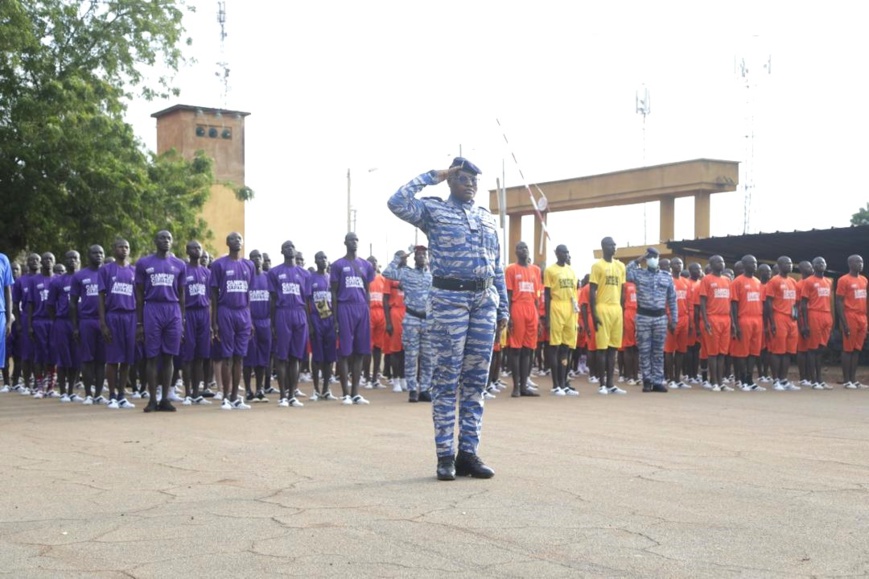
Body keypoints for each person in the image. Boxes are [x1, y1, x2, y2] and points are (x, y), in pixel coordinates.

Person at [388, 157, 507, 481]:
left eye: (473, 180)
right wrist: (433, 176)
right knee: (446, 380)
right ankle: (445, 456)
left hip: (484, 302)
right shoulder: (434, 211)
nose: (470, 184)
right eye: (463, 179)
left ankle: (468, 453)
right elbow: (396, 202)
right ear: (451, 181)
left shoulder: (486, 218)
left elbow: (496, 266)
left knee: (475, 382)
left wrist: (503, 308)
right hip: (448, 302)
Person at [136, 230, 187, 412]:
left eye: (168, 238)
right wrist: (139, 323)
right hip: (152, 308)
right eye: (161, 238)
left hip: (172, 309)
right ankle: (152, 399)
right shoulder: (144, 263)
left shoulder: (179, 264)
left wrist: (182, 320)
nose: (165, 240)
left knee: (169, 356)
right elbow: (139, 295)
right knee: (152, 356)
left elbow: (182, 295)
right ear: (155, 241)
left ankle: (165, 398)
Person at [384, 245, 434, 402]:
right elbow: (387, 272)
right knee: (411, 356)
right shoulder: (407, 273)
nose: (421, 256)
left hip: (427, 320)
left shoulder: (433, 276)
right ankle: (412, 389)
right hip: (411, 318)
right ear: (414, 257)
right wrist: (401, 256)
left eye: (424, 254)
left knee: (428, 357)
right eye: (418, 254)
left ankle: (425, 388)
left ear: (428, 257)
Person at [209, 232, 254, 410]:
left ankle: (236, 396)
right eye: (233, 238)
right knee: (227, 356)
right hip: (225, 311)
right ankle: (225, 397)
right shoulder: (219, 264)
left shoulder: (248, 265)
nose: (237, 241)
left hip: (243, 313)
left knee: (239, 357)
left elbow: (248, 293)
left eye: (240, 239)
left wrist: (249, 319)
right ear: (227, 242)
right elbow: (213, 294)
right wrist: (214, 322)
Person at [330, 232, 374, 405]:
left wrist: (368, 311)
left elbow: (367, 290)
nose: (354, 242)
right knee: (345, 352)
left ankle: (356, 392)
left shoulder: (366, 265)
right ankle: (345, 393)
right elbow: (333, 292)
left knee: (360, 352)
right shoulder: (337, 265)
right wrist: (335, 318)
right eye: (350, 240)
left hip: (362, 308)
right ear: (345, 242)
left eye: (356, 240)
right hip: (344, 307)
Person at [626, 248, 677, 392]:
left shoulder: (667, 277)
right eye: (650, 257)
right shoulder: (638, 274)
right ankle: (647, 380)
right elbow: (625, 273)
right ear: (647, 259)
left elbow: (672, 300)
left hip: (660, 318)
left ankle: (657, 381)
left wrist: (674, 319)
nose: (653, 259)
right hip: (643, 317)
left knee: (658, 351)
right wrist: (638, 259)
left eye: (655, 256)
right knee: (644, 350)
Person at [96, 239, 137, 408]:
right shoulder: (106, 270)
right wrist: (103, 323)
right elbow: (101, 298)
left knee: (127, 359)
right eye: (120, 246)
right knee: (113, 359)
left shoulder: (134, 271)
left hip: (130, 316)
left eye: (127, 247)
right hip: (113, 316)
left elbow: (139, 296)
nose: (124, 249)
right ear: (114, 249)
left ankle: (121, 394)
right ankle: (112, 395)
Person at [268, 240, 309, 408]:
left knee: (296, 356)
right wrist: (272, 322)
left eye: (292, 246)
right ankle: (283, 395)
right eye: (286, 247)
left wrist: (308, 321)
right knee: (282, 356)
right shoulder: (275, 272)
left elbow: (307, 300)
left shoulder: (304, 274)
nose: (290, 249)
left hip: (299, 313)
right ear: (281, 251)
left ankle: (293, 394)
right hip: (282, 312)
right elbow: (272, 299)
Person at [589, 237, 627, 395]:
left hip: (616, 310)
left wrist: (622, 310)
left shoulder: (620, 266)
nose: (614, 247)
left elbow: (623, 290)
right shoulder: (597, 266)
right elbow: (592, 291)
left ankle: (611, 383)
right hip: (603, 308)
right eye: (611, 245)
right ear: (604, 247)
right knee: (602, 349)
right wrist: (594, 313)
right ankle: (602, 384)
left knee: (613, 349)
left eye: (615, 245)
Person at [504, 241, 541, 398]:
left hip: (531, 309)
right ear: (515, 252)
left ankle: (525, 385)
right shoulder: (511, 270)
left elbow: (537, 296)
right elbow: (508, 295)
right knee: (516, 349)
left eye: (525, 247)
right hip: (517, 308)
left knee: (528, 349)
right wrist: (509, 315)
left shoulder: (536, 270)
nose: (523, 250)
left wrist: (538, 317)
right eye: (519, 248)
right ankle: (516, 387)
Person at [543, 245, 579, 396]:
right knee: (555, 347)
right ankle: (555, 384)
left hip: (569, 310)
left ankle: (564, 382)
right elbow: (546, 295)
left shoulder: (571, 271)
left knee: (566, 347)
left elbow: (574, 294)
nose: (566, 254)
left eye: (567, 252)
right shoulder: (550, 270)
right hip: (556, 307)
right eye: (563, 252)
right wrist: (547, 317)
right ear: (557, 254)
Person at [180, 240, 212, 405]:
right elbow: (180, 295)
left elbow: (211, 299)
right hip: (189, 313)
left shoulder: (207, 273)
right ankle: (186, 393)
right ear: (187, 250)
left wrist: (212, 323)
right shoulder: (183, 270)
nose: (197, 250)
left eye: (199, 247)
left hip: (204, 314)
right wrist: (182, 318)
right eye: (193, 247)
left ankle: (196, 392)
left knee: (201, 356)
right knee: (188, 356)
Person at [47, 251, 80, 402]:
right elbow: (50, 305)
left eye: (75, 258)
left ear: (79, 261)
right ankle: (63, 392)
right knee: (62, 358)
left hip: (80, 322)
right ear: (64, 261)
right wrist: (57, 320)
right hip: (62, 322)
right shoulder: (58, 281)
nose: (72, 260)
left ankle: (72, 390)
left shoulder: (83, 278)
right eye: (69, 258)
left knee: (75, 357)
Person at [729, 254, 765, 392]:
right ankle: (742, 379)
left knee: (754, 352)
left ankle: (750, 379)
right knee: (742, 352)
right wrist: (735, 324)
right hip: (744, 319)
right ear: (744, 265)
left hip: (757, 319)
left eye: (756, 262)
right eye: (751, 263)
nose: (754, 265)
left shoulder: (757, 282)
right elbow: (733, 304)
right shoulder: (737, 282)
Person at [306, 251, 338, 401]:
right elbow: (307, 302)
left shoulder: (332, 278)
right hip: (316, 319)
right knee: (317, 357)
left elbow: (336, 300)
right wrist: (310, 324)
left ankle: (326, 389)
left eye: (325, 257)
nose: (323, 260)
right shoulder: (310, 278)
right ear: (315, 260)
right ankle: (316, 389)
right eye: (320, 258)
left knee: (329, 357)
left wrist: (336, 321)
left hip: (330, 320)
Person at [765, 256, 799, 391]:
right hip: (779, 317)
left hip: (792, 320)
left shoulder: (793, 281)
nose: (789, 265)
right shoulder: (774, 281)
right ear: (779, 265)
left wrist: (796, 316)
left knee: (788, 351)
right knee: (777, 351)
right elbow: (768, 302)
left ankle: (784, 379)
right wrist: (772, 322)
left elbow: (795, 302)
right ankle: (775, 380)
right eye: (786, 263)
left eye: (791, 263)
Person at [699, 255, 732, 392]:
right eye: (719, 261)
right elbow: (702, 302)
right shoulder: (706, 280)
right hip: (712, 318)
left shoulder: (727, 280)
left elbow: (729, 302)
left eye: (723, 261)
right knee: (713, 353)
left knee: (722, 353)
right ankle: (714, 382)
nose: (722, 263)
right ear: (711, 264)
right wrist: (705, 321)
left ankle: (721, 381)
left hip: (726, 319)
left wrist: (733, 322)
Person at [800, 257, 834, 390]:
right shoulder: (808, 281)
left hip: (826, 315)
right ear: (813, 266)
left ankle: (820, 379)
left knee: (821, 349)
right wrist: (806, 324)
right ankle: (813, 379)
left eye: (823, 263)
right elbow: (803, 304)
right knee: (812, 349)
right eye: (818, 263)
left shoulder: (828, 281)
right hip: (814, 314)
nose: (821, 265)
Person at [26, 252, 56, 397]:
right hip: (39, 321)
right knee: (39, 354)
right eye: (45, 259)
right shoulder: (34, 280)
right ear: (41, 262)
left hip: (54, 322)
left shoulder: (58, 280)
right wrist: (30, 324)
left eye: (51, 259)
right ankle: (39, 387)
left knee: (52, 354)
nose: (48, 261)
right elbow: (30, 304)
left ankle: (50, 387)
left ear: (55, 261)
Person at [244, 249, 272, 402]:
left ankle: (260, 389)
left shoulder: (269, 278)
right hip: (250, 321)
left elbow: (273, 300)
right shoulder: (247, 277)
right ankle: (248, 389)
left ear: (262, 259)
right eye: (253, 257)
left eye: (258, 256)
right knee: (248, 357)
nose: (256, 259)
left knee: (263, 357)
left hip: (265, 321)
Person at [836, 255, 867, 389]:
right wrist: (844, 322)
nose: (860, 264)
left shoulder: (864, 280)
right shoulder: (844, 280)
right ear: (850, 264)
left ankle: (854, 379)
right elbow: (838, 301)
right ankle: (847, 379)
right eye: (857, 262)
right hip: (850, 315)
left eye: (861, 261)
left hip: (862, 317)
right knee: (848, 349)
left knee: (856, 349)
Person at [664, 257, 692, 389]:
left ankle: (677, 378)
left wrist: (690, 322)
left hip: (685, 319)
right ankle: (669, 378)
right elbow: (665, 302)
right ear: (671, 266)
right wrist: (670, 319)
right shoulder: (667, 281)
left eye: (680, 263)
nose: (678, 265)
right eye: (675, 263)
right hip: (672, 319)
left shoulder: (686, 282)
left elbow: (689, 302)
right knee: (669, 350)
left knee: (681, 350)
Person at [383, 255, 407, 393]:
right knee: (395, 349)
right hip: (396, 312)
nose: (404, 260)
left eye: (405, 257)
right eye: (401, 257)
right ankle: (396, 379)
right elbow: (385, 300)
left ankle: (404, 378)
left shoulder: (409, 273)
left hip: (408, 312)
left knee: (405, 349)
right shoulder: (390, 276)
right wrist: (388, 321)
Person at [366, 256, 388, 389]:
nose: (373, 264)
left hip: (381, 314)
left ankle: (375, 377)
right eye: (370, 262)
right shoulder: (364, 278)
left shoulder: (382, 279)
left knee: (378, 347)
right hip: (369, 313)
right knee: (368, 347)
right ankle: (367, 377)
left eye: (375, 261)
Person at [0, 252, 13, 391]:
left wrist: (9, 320)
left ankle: (6, 383)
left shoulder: (3, 259)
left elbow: (8, 291)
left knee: (1, 349)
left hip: (0, 312)